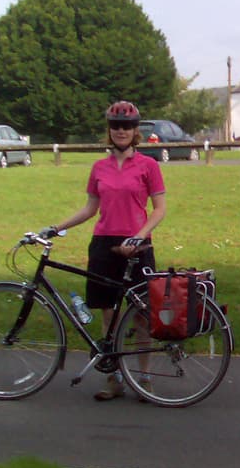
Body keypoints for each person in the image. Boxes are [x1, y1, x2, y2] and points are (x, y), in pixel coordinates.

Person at [43, 100, 167, 400]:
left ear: (136, 130)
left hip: (136, 245)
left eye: (126, 126)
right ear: (109, 130)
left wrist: (140, 236)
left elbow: (160, 209)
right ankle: (114, 378)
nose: (121, 131)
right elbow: (90, 208)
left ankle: (145, 378)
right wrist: (56, 228)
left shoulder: (148, 165)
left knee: (140, 315)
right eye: (115, 126)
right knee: (108, 314)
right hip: (104, 243)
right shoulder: (99, 167)